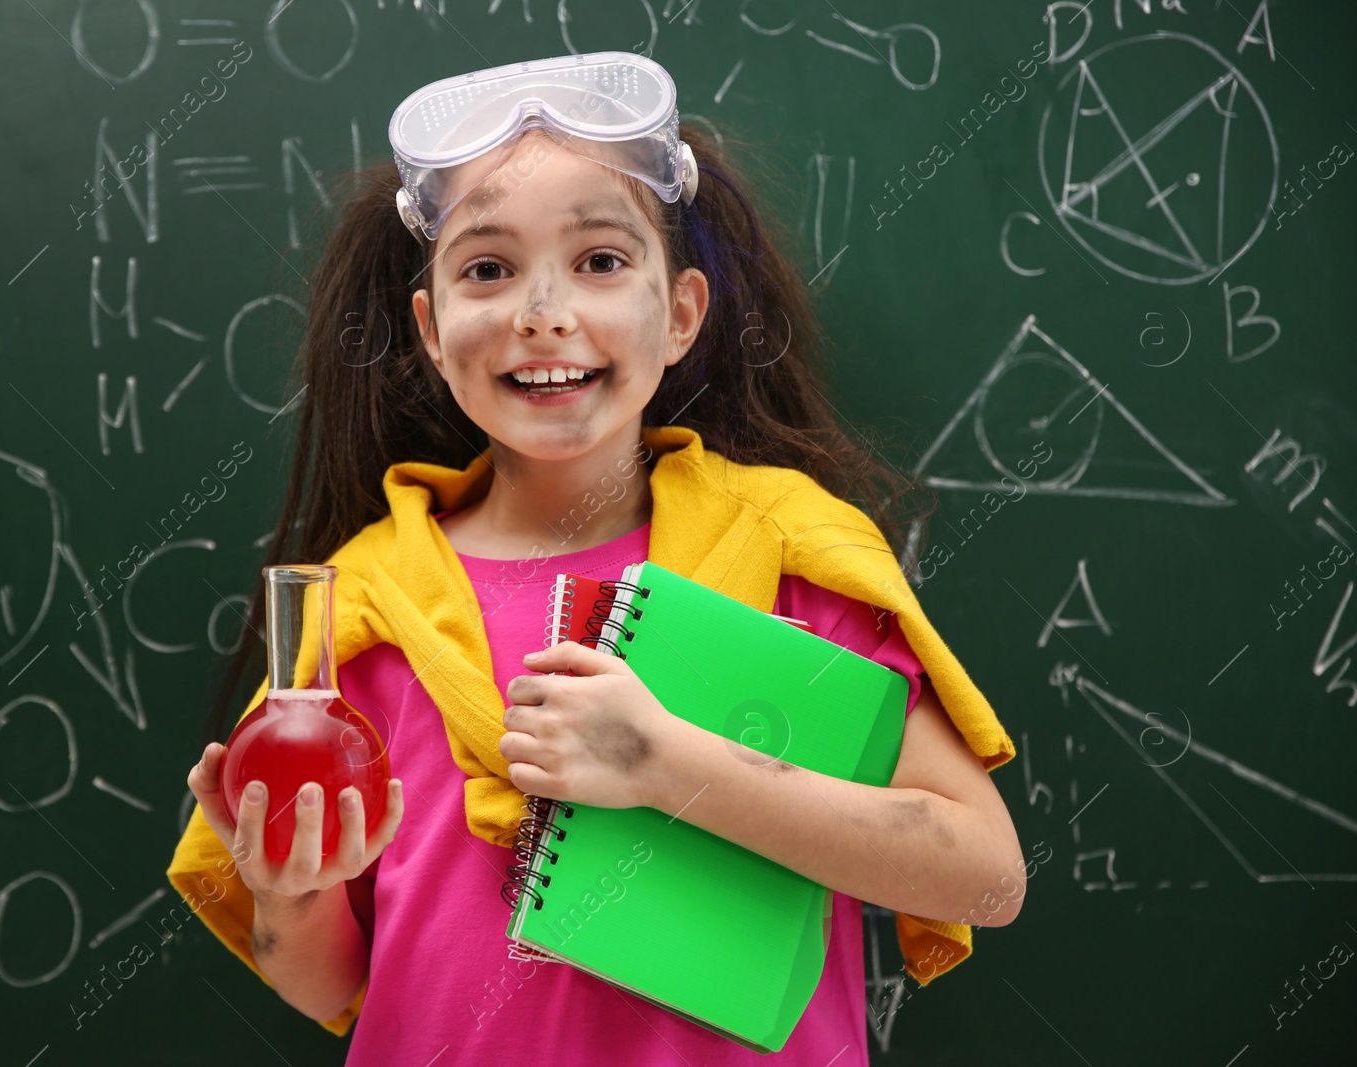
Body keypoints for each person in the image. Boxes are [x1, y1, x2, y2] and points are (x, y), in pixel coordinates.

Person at [169, 52, 1024, 1066]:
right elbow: (329, 982)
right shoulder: (361, 600)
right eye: (486, 268)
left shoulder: (784, 548)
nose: (543, 310)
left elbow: (983, 876)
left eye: (600, 261)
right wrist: (291, 889)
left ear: (680, 316)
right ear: (433, 331)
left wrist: (666, 764)